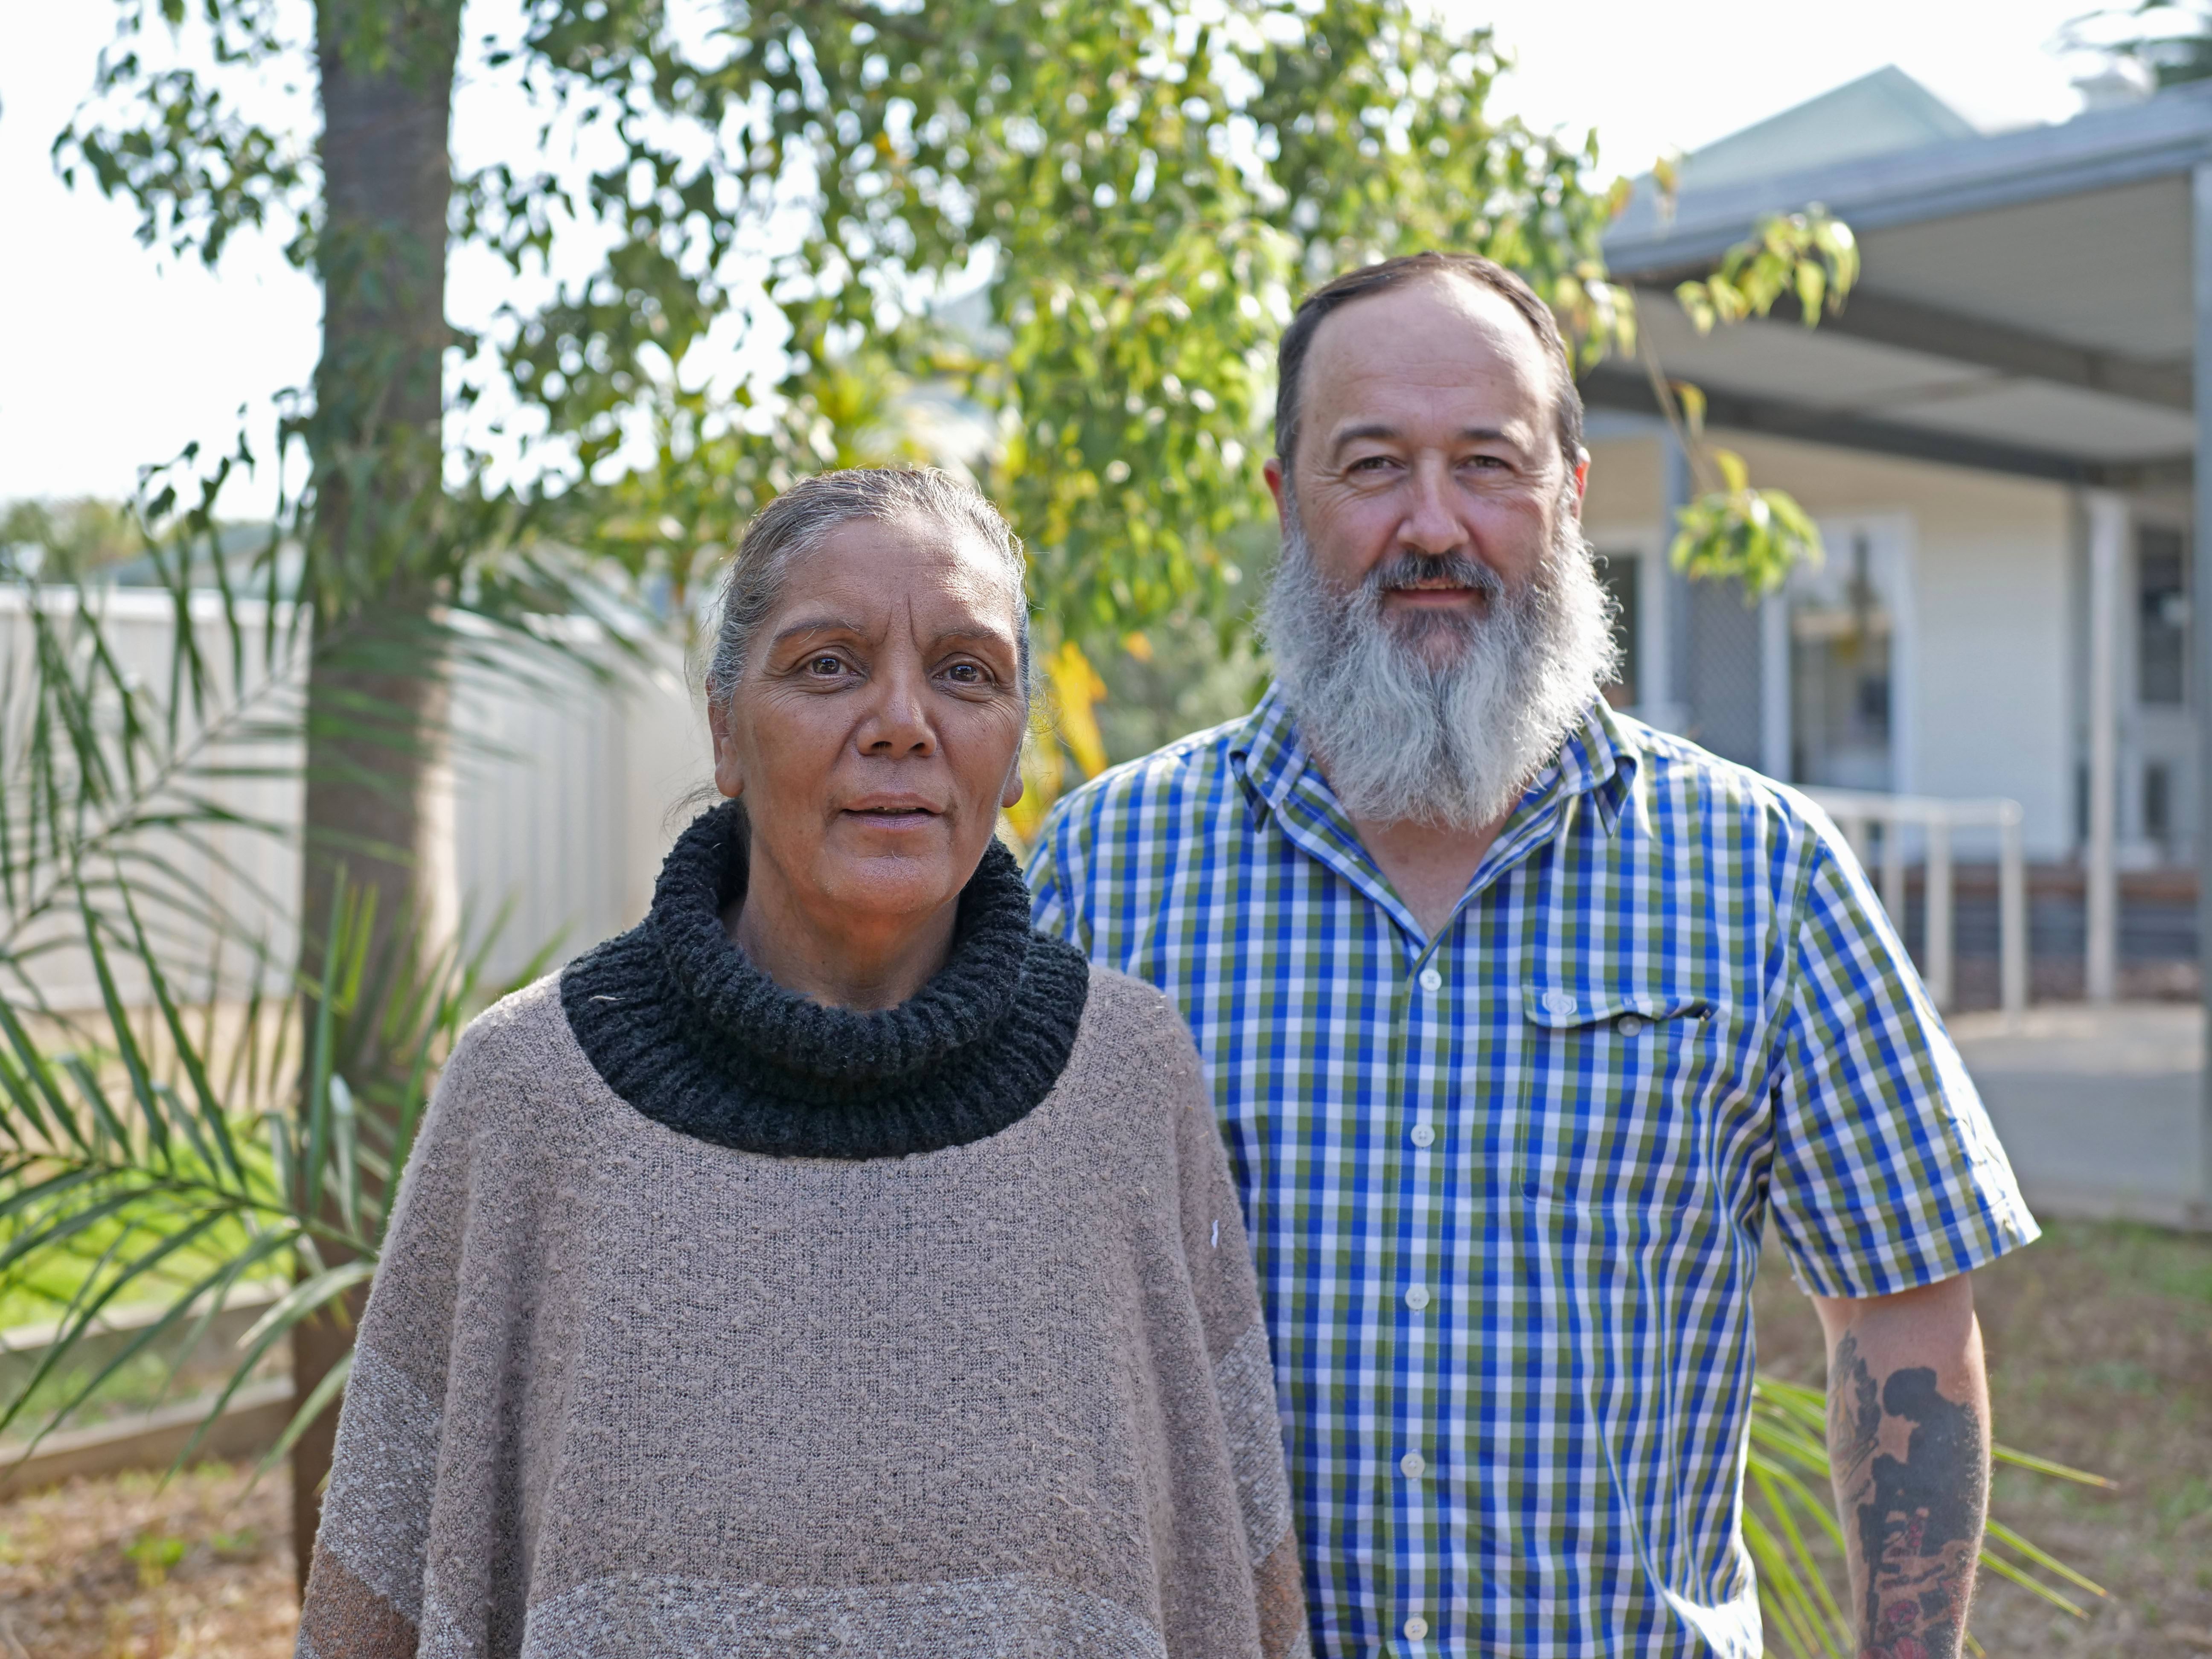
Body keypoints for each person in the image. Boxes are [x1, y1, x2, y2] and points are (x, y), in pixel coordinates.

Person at [1026, 253, 2037, 1659]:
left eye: (1487, 466)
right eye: (1370, 466)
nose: (1431, 525)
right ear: (1284, 500)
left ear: (1570, 490)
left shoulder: (1763, 874)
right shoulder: (1108, 869)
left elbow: (1908, 1315)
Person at [297, 467, 1307, 1659]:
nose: (901, 721)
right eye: (828, 664)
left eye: (966, 672)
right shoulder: (530, 1095)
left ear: (1019, 747)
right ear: (726, 729)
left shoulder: (1129, 1083)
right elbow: (379, 1600)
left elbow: (1230, 1584)